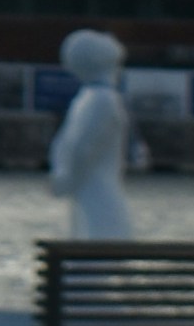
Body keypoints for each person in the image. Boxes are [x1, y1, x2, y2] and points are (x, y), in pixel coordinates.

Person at [45, 24, 140, 247]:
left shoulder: (88, 100)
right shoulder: (103, 99)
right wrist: (68, 179)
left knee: (90, 246)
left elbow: (74, 146)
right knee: (97, 243)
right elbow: (83, 148)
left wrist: (64, 178)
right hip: (99, 193)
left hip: (90, 192)